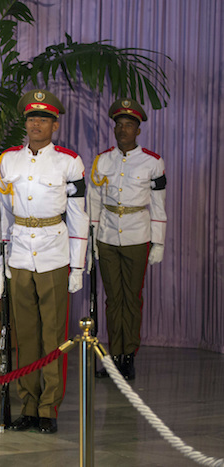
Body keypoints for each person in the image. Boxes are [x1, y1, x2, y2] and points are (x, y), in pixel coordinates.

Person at [0, 89, 89, 434]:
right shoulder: (8, 161)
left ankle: (49, 408)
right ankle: (28, 406)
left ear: (54, 125)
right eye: (32, 118)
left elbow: (78, 216)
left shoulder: (69, 161)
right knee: (26, 337)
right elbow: (2, 214)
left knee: (53, 335)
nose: (36, 124)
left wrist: (77, 265)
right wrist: (0, 260)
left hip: (53, 252)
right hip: (19, 252)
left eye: (43, 119)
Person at [88, 98, 166, 380]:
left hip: (137, 236)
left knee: (131, 298)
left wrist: (158, 242)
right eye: (119, 125)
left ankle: (128, 356)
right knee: (112, 299)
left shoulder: (153, 162)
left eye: (129, 125)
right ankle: (114, 355)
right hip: (107, 237)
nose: (123, 130)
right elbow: (94, 201)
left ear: (138, 130)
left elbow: (158, 205)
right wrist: (91, 239)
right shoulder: (102, 160)